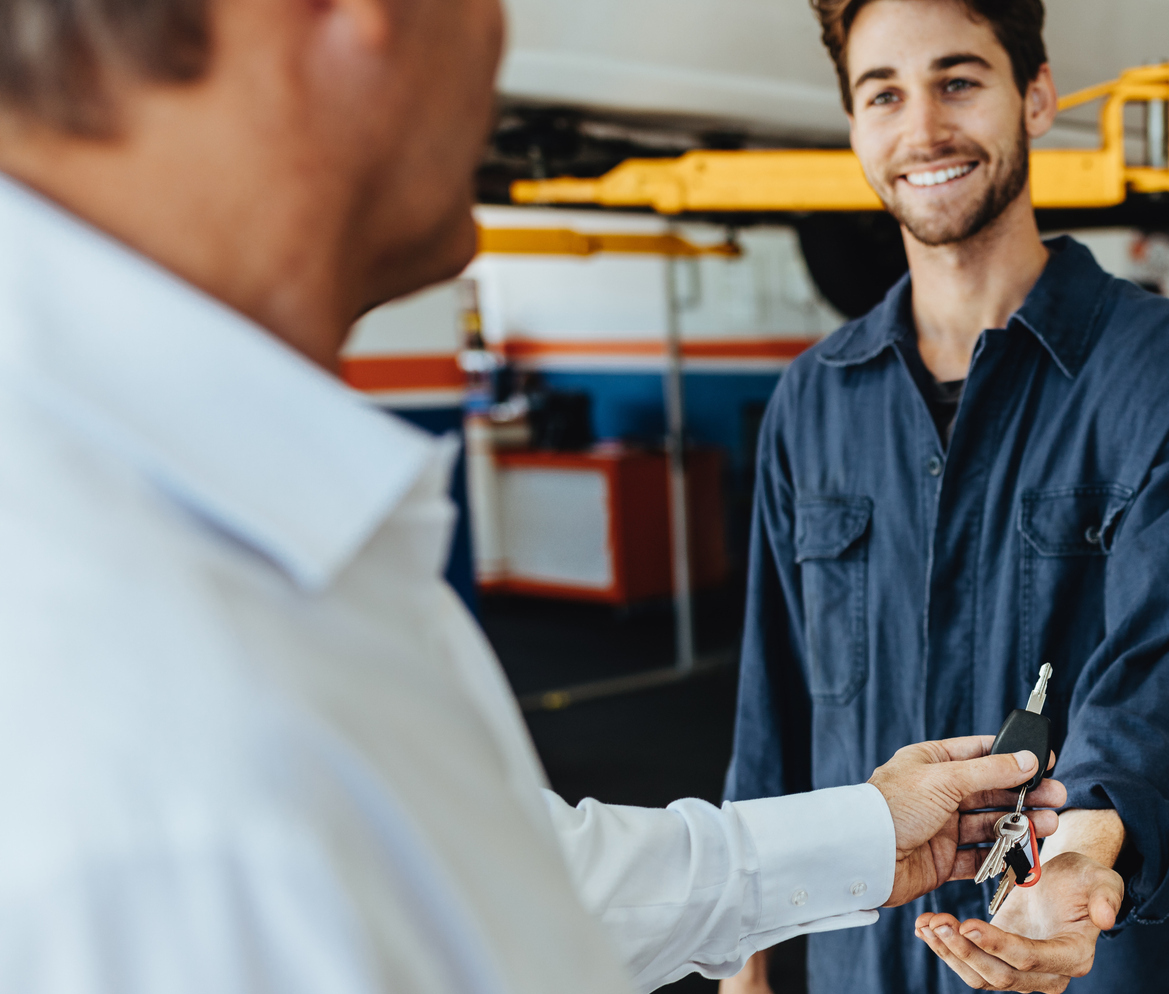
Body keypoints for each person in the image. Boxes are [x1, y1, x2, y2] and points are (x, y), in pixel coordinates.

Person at [0, 0, 1069, 990]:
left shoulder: (199, 542)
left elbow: (495, 875)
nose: (496, 37)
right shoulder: (141, 707)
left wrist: (863, 833)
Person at [722, 1, 1169, 992]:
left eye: (959, 81)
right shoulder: (812, 400)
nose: (923, 128)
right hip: (866, 961)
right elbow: (775, 707)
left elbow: (1163, 678)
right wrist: (744, 964)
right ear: (854, 127)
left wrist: (1081, 854)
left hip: (1084, 955)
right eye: (884, 95)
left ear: (1037, 98)